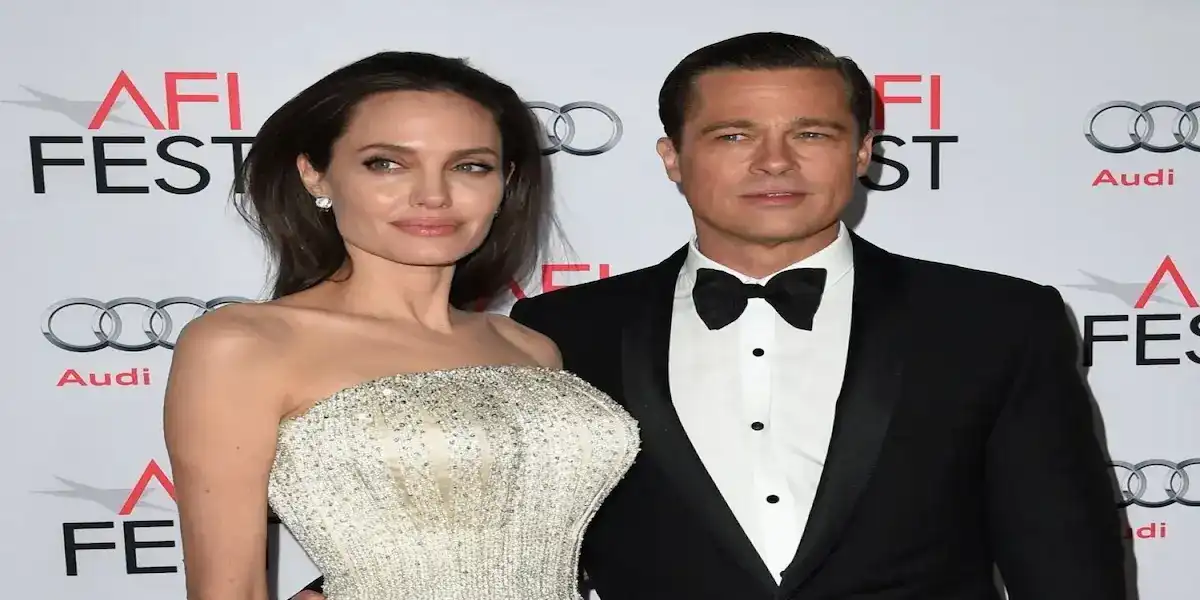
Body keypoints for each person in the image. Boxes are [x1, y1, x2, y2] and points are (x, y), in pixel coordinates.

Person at [295, 32, 1128, 600]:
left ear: (864, 152)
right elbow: (492, 533)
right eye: (733, 136)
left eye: (812, 134)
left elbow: (1066, 561)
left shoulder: (995, 321)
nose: (774, 163)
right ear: (672, 157)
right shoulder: (561, 331)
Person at [162, 51, 639, 600]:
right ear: (315, 174)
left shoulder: (528, 347)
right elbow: (229, 589)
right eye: (387, 163)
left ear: (505, 182)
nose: (433, 195)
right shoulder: (243, 345)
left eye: (470, 166)